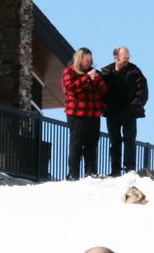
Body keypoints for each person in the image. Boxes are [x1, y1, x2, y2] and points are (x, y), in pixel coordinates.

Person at [100, 46, 148, 177]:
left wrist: (135, 106)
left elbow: (143, 90)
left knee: (130, 140)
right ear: (116, 58)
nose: (127, 61)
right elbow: (100, 91)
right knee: (114, 141)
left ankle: (130, 169)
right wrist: (105, 106)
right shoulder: (106, 72)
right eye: (124, 59)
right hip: (112, 112)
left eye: (128, 58)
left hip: (129, 112)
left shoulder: (135, 71)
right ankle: (115, 169)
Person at [62, 47, 107, 181]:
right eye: (86, 60)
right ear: (79, 59)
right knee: (76, 143)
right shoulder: (69, 71)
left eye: (90, 60)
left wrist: (96, 79)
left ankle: (91, 171)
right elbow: (71, 89)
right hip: (76, 113)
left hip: (93, 114)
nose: (88, 63)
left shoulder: (95, 73)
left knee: (92, 144)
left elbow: (104, 90)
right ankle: (73, 174)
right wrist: (87, 78)